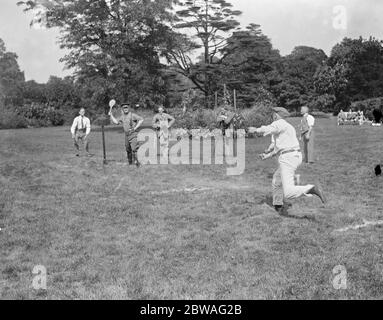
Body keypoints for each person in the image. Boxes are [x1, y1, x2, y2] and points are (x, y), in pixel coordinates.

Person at [248, 107, 326, 216]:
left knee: (289, 192)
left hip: (288, 158)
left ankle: (312, 189)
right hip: (293, 156)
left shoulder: (279, 123)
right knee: (276, 180)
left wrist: (255, 130)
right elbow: (279, 148)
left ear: (276, 115)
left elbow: (268, 128)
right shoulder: (287, 127)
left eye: (273, 114)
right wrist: (266, 156)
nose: (272, 116)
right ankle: (278, 205)